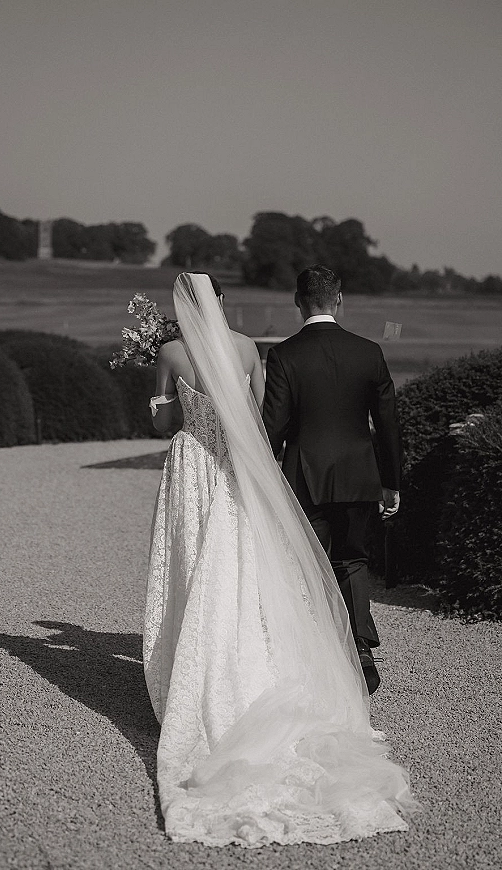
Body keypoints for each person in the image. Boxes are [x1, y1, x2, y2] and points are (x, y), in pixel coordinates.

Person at [143, 272, 416, 848]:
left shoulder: (174, 352)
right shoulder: (259, 349)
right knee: (297, 567)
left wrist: (171, 406)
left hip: (208, 469)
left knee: (205, 565)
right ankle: (329, 650)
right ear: (219, 303)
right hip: (285, 472)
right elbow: (267, 422)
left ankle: (206, 658)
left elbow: (191, 423)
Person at [263, 265, 401, 695]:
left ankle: (312, 656)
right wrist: (391, 481)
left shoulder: (284, 355)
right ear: (339, 299)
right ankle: (360, 649)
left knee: (307, 564)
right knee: (353, 560)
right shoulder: (369, 351)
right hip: (360, 475)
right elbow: (389, 424)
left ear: (297, 300)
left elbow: (273, 428)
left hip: (304, 478)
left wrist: (258, 475)